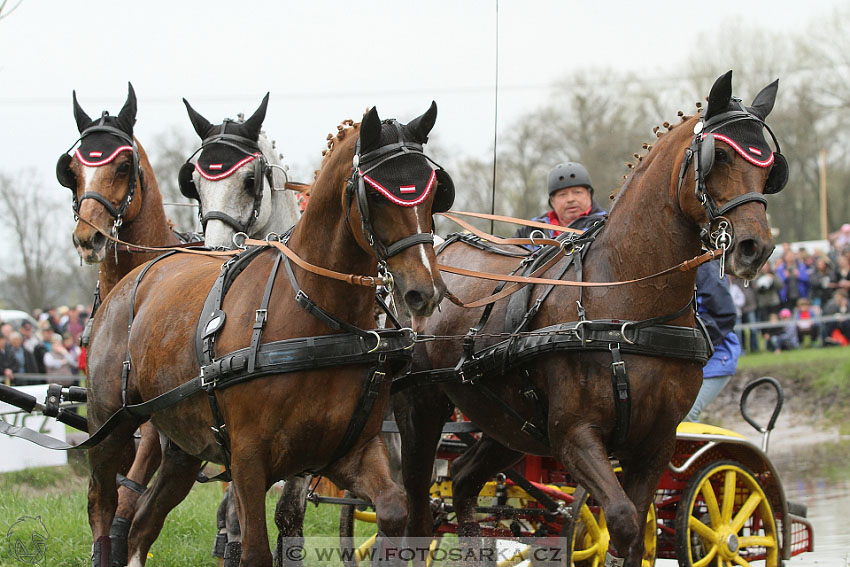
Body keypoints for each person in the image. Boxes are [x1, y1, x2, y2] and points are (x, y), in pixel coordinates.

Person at [684, 261, 741, 423]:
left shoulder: (706, 264)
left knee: (686, 415)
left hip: (717, 355)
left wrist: (689, 337)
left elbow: (725, 317)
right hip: (682, 356)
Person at [513, 162, 607, 240]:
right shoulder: (532, 229)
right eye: (563, 194)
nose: (570, 199)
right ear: (552, 201)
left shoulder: (606, 225)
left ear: (589, 194)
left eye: (577, 192)